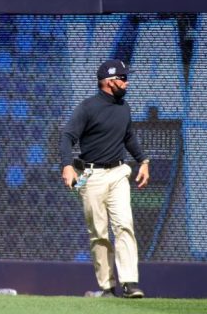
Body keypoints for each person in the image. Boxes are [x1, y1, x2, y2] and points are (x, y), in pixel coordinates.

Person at [59, 59, 150, 299]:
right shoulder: (87, 107)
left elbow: (128, 136)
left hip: (119, 172)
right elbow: (67, 136)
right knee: (99, 232)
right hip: (91, 175)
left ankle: (129, 283)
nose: (126, 81)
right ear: (109, 82)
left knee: (124, 225)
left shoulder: (124, 107)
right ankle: (107, 287)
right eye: (122, 78)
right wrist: (67, 166)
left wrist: (144, 161)